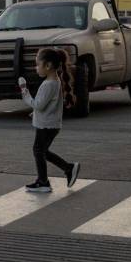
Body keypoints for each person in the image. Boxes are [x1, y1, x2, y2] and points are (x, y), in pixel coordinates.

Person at [18, 48, 81, 193]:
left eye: (37, 64)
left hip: (46, 126)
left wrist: (25, 92)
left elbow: (39, 104)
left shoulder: (49, 84)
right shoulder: (54, 81)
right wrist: (36, 113)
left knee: (38, 151)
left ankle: (44, 182)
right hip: (50, 124)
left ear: (48, 66)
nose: (36, 68)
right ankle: (67, 169)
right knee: (42, 151)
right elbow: (47, 105)